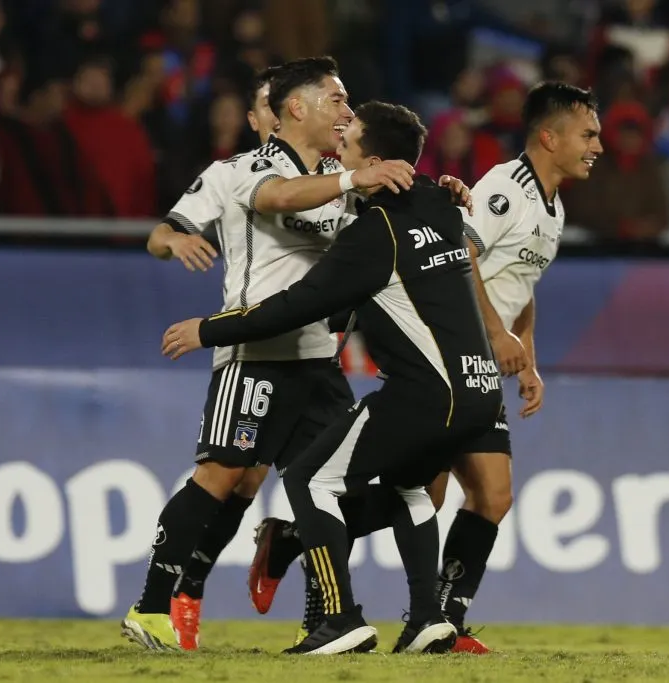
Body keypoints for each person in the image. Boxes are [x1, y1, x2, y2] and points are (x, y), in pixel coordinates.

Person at [160, 100, 503, 656]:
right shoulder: (440, 203)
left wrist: (210, 329)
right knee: (410, 487)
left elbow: (298, 304)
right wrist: (449, 187)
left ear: (373, 159)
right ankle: (427, 622)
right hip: (480, 393)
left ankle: (340, 619)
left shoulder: (376, 232)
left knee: (307, 482)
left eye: (350, 142)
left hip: (424, 393)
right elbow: (443, 220)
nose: (339, 145)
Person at [122, 56, 420, 652]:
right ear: (296, 108)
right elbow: (273, 199)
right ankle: (152, 607)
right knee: (222, 475)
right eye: (336, 100)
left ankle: (326, 619)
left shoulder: (343, 179)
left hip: (318, 357)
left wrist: (439, 194)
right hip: (253, 351)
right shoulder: (244, 170)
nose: (348, 112)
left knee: (335, 486)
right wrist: (175, 239)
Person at [428, 80, 602, 653]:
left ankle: (444, 623)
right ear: (548, 137)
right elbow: (460, 254)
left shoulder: (554, 208)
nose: (597, 145)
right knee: (420, 497)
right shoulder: (506, 186)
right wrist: (497, 331)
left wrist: (526, 355)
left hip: (482, 363)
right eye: (588, 134)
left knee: (493, 496)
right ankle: (296, 537)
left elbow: (522, 286)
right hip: (442, 354)